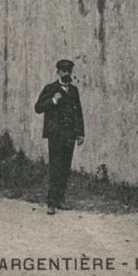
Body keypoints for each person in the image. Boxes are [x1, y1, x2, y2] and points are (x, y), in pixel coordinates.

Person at [34, 58, 85, 214]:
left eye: (69, 71)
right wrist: (54, 101)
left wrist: (80, 133)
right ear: (58, 72)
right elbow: (38, 108)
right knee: (55, 167)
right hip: (55, 135)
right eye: (64, 71)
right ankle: (51, 203)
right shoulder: (51, 88)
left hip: (69, 135)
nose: (67, 73)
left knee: (65, 167)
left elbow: (78, 113)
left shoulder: (74, 90)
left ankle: (60, 200)